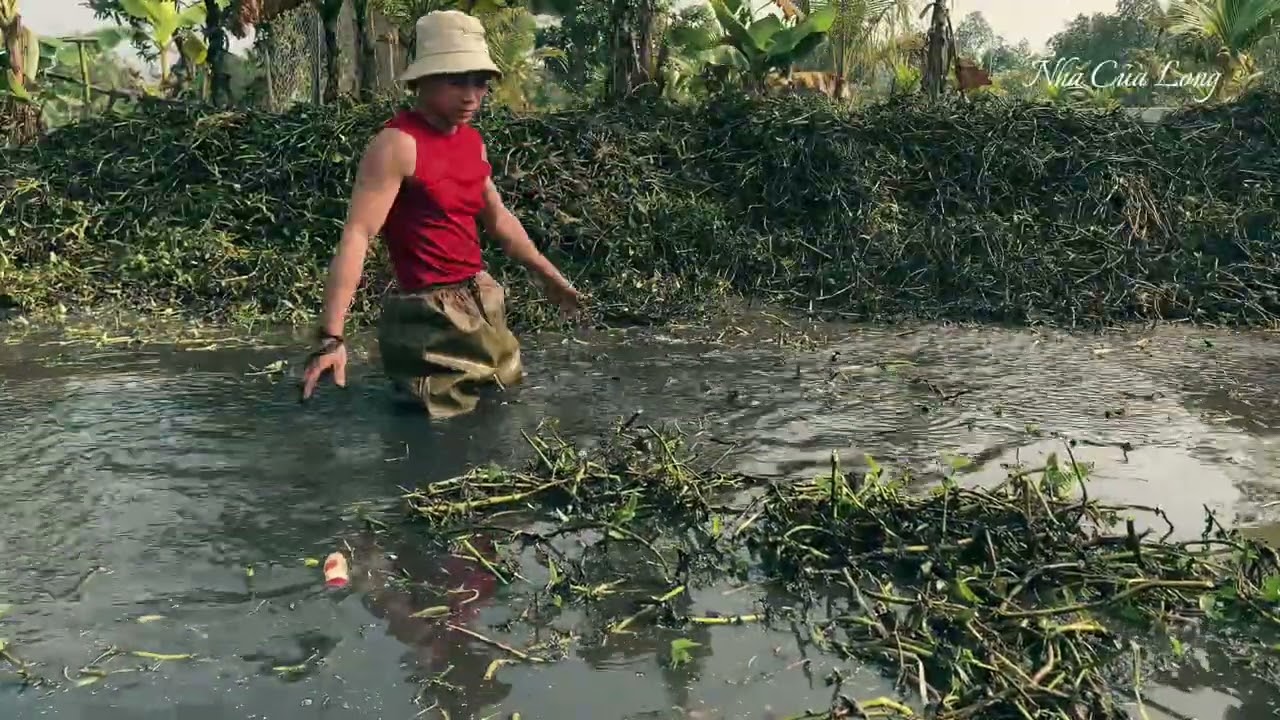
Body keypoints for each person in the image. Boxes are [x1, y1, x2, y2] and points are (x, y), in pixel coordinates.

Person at [300, 10, 581, 418]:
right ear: (422, 81)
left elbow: (499, 219)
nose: (471, 96)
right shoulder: (397, 145)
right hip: (427, 318)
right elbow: (358, 234)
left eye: (479, 82)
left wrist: (549, 275)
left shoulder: (472, 142)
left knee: (503, 404)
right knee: (437, 428)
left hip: (482, 300)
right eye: (456, 81)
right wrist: (331, 337)